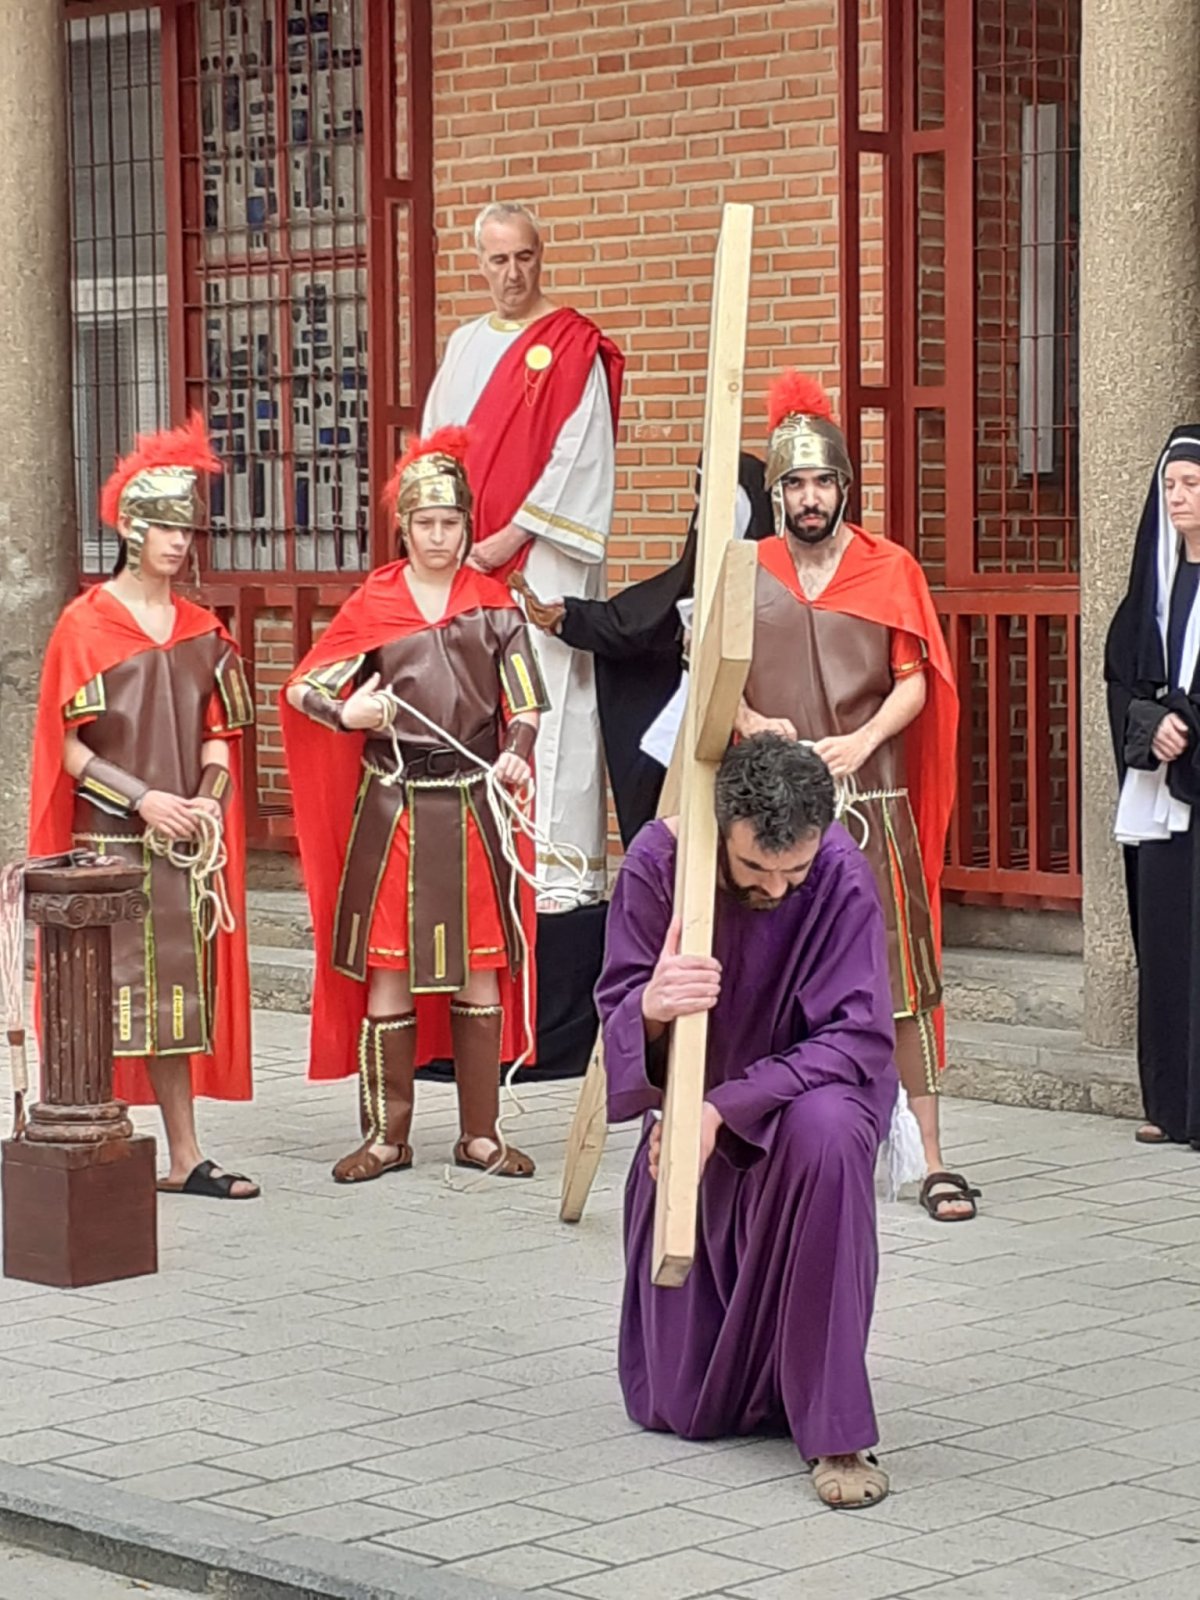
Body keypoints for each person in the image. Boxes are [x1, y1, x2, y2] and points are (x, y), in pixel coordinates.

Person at [597, 735, 896, 1509]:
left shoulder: (840, 874)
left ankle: (836, 1430)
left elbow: (856, 1036)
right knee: (679, 1406)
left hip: (809, 1094)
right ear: (723, 826)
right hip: (700, 1093)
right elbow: (620, 1015)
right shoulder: (659, 866)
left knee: (826, 1133)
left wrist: (722, 1110)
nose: (773, 887)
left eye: (790, 872)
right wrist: (654, 1008)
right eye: (754, 869)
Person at [281, 427, 550, 1182]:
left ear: (468, 526)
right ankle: (386, 1137)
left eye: (451, 522)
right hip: (394, 803)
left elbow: (525, 705)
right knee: (388, 968)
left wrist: (515, 757)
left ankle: (481, 1135)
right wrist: (347, 716)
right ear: (404, 528)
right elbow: (305, 687)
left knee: (481, 967)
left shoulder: (495, 605)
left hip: (470, 803)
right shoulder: (375, 603)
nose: (439, 536)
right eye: (425, 523)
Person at [737, 373, 974, 1221]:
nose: (809, 498)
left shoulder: (890, 570)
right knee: (771, 981)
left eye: (822, 482)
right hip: (772, 822)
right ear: (776, 494)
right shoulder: (746, 571)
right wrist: (754, 719)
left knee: (902, 982)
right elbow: (711, 683)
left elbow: (914, 681)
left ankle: (930, 1159)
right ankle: (773, 1150)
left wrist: (863, 740)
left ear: (845, 487)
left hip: (872, 805)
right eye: (794, 484)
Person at [28, 415, 258, 1200]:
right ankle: (91, 1143)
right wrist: (145, 798)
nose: (179, 540)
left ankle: (187, 1155)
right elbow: (70, 749)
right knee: (102, 993)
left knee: (176, 998)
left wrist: (205, 803)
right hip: (107, 843)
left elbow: (222, 736)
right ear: (131, 527)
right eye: (164, 525)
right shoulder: (85, 626)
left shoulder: (205, 631)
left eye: (187, 527)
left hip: (182, 847)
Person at [421, 201, 624, 1076]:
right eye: (498, 260)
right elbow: (437, 451)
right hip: (464, 570)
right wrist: (451, 538)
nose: (514, 273)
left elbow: (583, 459)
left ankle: (554, 899)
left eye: (527, 257)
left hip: (540, 572)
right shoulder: (465, 346)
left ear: (544, 257)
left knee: (554, 719)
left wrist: (516, 539)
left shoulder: (573, 344)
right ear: (479, 265)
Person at [519, 452, 774, 846]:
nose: (706, 520)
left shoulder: (778, 585)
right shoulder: (689, 580)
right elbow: (638, 622)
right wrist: (569, 616)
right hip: (690, 730)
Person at [1106, 426, 1200, 1148]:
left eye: (1192, 484)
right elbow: (1128, 679)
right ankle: (1172, 1102)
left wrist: (1187, 722)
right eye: (1170, 485)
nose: (1178, 496)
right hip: (1168, 789)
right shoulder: (1158, 584)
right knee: (1167, 937)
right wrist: (1152, 722)